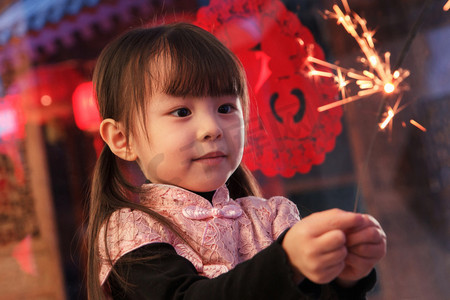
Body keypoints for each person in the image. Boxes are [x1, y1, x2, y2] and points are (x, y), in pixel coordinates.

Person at [86, 22, 386, 300]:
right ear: (122, 139)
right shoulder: (132, 229)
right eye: (181, 112)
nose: (212, 129)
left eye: (226, 107)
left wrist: (346, 277)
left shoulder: (272, 217)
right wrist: (286, 262)